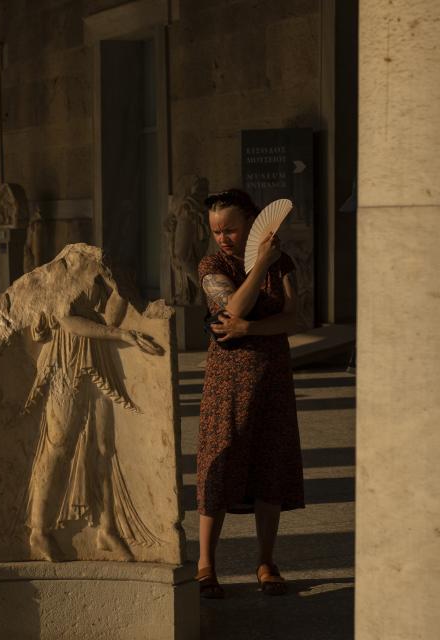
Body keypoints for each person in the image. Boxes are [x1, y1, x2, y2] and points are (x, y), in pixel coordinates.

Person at [194, 188, 305, 598]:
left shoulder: (286, 263)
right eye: (216, 231)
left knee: (269, 464)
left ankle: (266, 560)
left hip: (273, 377)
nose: (223, 237)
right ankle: (207, 564)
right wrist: (259, 266)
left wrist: (251, 330)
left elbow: (296, 318)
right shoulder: (212, 264)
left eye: (230, 229)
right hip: (228, 380)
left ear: (255, 222)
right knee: (219, 464)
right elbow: (233, 310)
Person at [22, 259, 164, 562]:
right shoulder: (62, 272)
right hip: (65, 360)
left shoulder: (102, 273)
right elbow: (68, 320)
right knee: (59, 445)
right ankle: (39, 529)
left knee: (103, 447)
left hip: (95, 360)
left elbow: (109, 321)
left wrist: (120, 291)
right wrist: (123, 336)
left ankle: (107, 527)